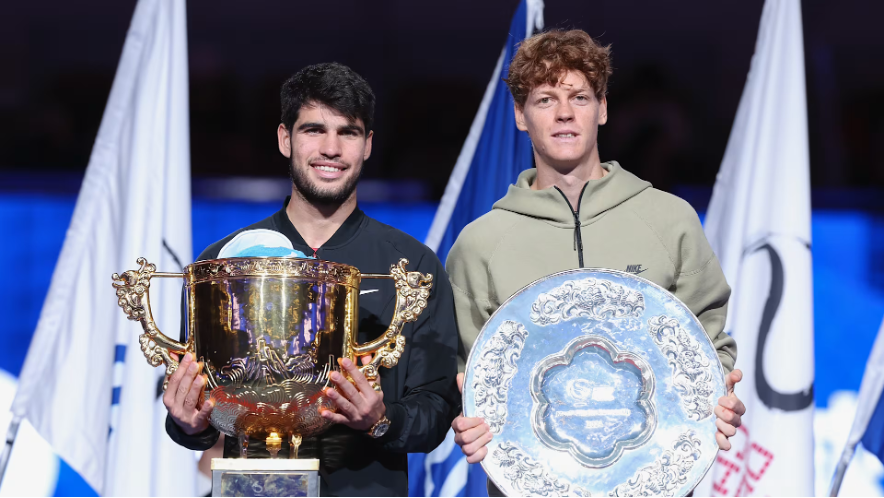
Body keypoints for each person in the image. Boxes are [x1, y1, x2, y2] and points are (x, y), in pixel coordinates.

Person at [447, 29, 746, 494]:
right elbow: (471, 376)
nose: (564, 113)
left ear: (603, 109)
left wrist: (719, 393)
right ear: (520, 116)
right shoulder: (479, 244)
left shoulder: (670, 220)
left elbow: (706, 344)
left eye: (580, 97)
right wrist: (465, 417)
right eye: (545, 99)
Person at [162, 62, 459, 497]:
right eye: (314, 130)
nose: (331, 148)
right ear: (286, 139)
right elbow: (200, 403)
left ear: (368, 145)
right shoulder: (224, 264)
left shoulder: (412, 267)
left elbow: (436, 410)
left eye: (349, 132)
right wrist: (188, 425)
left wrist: (381, 419)